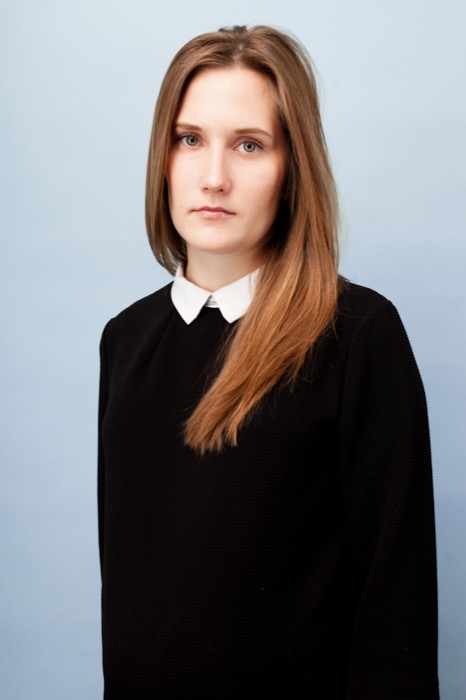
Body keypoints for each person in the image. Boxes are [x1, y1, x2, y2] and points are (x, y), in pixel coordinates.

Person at [97, 25, 439, 699]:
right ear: (162, 157)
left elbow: (395, 602)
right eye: (189, 139)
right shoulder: (125, 340)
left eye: (249, 144)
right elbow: (131, 598)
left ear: (292, 170)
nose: (214, 176)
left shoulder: (357, 335)